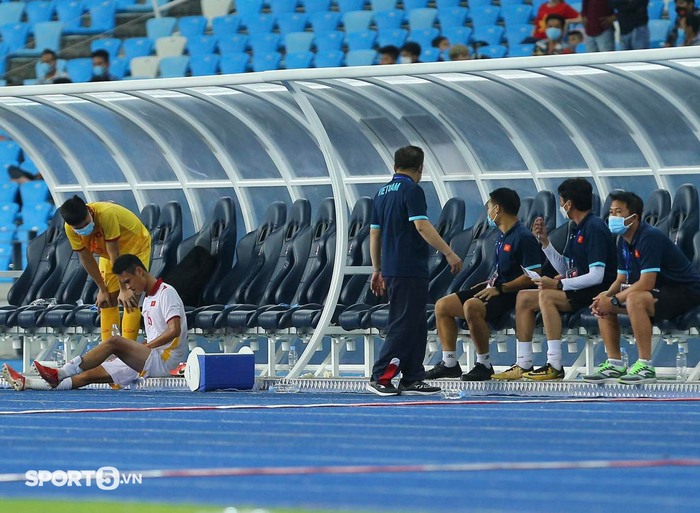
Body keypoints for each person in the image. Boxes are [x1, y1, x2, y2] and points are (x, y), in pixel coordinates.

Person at [3, 254, 187, 391]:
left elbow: (174, 331)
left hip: (166, 362)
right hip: (152, 357)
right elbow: (156, 335)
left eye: (128, 281)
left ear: (140, 271)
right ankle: (28, 383)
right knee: (87, 376)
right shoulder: (146, 299)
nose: (129, 287)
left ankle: (62, 372)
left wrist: (140, 348)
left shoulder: (166, 293)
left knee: (115, 342)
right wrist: (134, 350)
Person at [367, 146, 462, 396]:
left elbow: (374, 234)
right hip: (408, 267)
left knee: (416, 323)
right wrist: (449, 252)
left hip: (393, 268)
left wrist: (377, 268)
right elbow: (421, 226)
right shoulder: (412, 190)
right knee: (404, 322)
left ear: (394, 166)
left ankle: (412, 376)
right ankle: (381, 376)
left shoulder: (381, 193)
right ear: (421, 168)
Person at [503, 179, 617, 381]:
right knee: (524, 298)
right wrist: (545, 243)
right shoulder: (576, 228)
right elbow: (567, 268)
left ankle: (554, 364)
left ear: (569, 204)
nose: (561, 206)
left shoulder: (594, 228)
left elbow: (597, 275)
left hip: (597, 291)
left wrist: (558, 284)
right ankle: (523, 362)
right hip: (578, 289)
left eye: (562, 201)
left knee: (546, 296)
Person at [425, 188, 542, 382]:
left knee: (471, 306)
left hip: (511, 294)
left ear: (497, 209)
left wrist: (500, 288)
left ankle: (484, 364)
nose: (487, 211)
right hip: (495, 288)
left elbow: (534, 276)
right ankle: (450, 363)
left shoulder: (523, 237)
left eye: (489, 207)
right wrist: (489, 284)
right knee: (443, 306)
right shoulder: (500, 236)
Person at [585, 192, 700, 384]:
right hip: (660, 293)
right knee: (602, 304)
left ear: (634, 217)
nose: (612, 217)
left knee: (634, 299)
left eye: (618, 212)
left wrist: (615, 299)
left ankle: (645, 366)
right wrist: (606, 296)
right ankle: (614, 363)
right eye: (611, 212)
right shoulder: (623, 240)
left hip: (686, 291)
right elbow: (621, 277)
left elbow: (647, 283)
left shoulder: (649, 237)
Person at [59, 195, 151, 342]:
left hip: (135, 247)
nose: (84, 229)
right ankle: (109, 353)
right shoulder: (69, 228)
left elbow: (115, 253)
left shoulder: (106, 214)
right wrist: (102, 289)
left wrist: (124, 289)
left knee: (130, 298)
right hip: (108, 254)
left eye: (86, 224)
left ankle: (127, 350)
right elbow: (86, 258)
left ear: (89, 212)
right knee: (107, 300)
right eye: (79, 228)